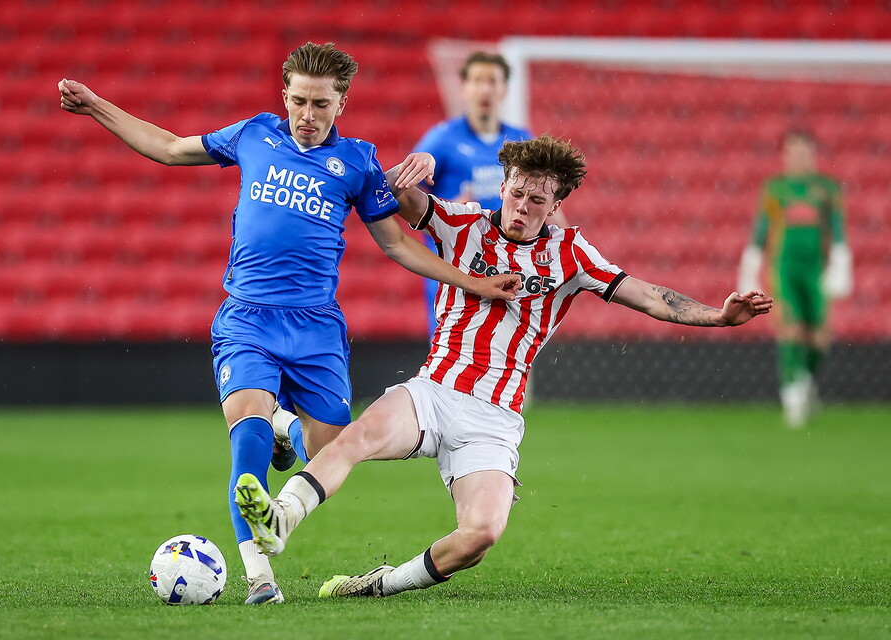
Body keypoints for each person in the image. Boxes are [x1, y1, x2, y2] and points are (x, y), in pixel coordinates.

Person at [58, 42, 520, 606]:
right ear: (284, 96)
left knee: (327, 451)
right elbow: (172, 148)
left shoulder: (356, 163)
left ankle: (285, 430)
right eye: (298, 101)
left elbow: (398, 244)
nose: (307, 115)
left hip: (317, 330)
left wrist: (471, 282)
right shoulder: (254, 134)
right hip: (247, 318)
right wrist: (97, 106)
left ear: (341, 103)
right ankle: (260, 578)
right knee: (246, 437)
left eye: (320, 104)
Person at [234, 135, 774, 600]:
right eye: (515, 191)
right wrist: (409, 168)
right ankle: (281, 518)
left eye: (535, 199)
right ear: (504, 185)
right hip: (435, 389)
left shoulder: (572, 255)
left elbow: (650, 296)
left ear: (556, 201)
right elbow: (390, 197)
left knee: (481, 534)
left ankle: (380, 584)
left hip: (494, 418)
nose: (520, 206)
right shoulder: (461, 222)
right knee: (354, 437)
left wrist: (721, 317)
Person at [412, 51, 534, 334]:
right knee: (450, 354)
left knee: (505, 357)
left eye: (493, 81)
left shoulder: (521, 139)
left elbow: (547, 199)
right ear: (465, 88)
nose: (485, 88)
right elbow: (405, 194)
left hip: (506, 268)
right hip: (454, 269)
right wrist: (448, 208)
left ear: (504, 89)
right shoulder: (442, 139)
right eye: (478, 80)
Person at [737, 128, 851, 428]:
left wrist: (841, 263)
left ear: (813, 154)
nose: (799, 158)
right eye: (794, 152)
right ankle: (791, 393)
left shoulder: (826, 189)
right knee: (791, 329)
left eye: (805, 152)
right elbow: (762, 230)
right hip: (785, 269)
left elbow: (837, 229)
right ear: (784, 155)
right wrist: (750, 267)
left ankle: (806, 380)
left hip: (815, 269)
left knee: (819, 337)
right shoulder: (775, 189)